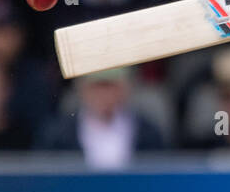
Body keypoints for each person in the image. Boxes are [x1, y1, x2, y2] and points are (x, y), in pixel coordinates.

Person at [37, 67, 166, 167]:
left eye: (111, 86)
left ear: (126, 88)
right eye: (97, 86)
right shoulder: (57, 135)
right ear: (82, 88)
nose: (104, 94)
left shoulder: (149, 134)